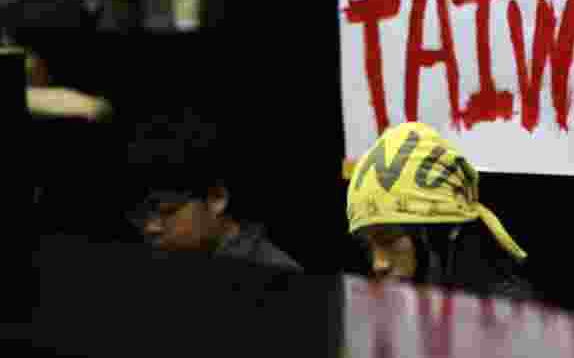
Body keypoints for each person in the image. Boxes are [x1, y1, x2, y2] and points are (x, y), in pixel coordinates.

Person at [346, 121, 532, 300]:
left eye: (389, 240)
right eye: (368, 246)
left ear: (439, 234)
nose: (378, 264)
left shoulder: (508, 318)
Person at [123, 110, 303, 272]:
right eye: (139, 215)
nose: (151, 227)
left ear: (216, 198)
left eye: (167, 211)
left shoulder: (277, 275)